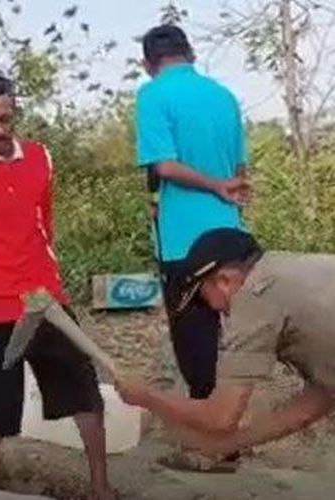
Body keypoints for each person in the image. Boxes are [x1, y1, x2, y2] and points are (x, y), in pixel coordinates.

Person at [0, 75, 115, 499]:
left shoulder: (40, 157)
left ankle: (101, 486)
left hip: (47, 299)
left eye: (5, 119)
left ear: (16, 111)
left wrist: (51, 276)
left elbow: (43, 224)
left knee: (83, 391)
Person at [135, 24, 250, 467]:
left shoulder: (154, 95)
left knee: (195, 343)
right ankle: (234, 431)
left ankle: (218, 446)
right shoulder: (223, 96)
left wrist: (213, 185)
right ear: (191, 54)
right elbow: (239, 168)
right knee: (234, 341)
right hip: (232, 235)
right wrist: (226, 187)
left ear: (149, 64)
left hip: (186, 242)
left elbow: (163, 164)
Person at [117, 228, 335, 461]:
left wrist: (147, 397)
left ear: (224, 280)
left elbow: (220, 418)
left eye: (203, 297)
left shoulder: (254, 296)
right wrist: (227, 444)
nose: (214, 309)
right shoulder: (293, 270)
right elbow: (322, 397)